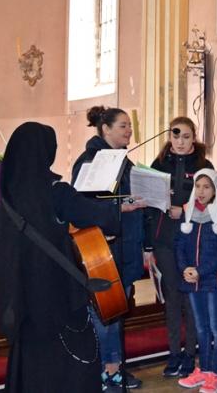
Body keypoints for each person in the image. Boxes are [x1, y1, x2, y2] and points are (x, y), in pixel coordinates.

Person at [0, 122, 142, 392]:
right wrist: (122, 209)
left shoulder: (6, 201)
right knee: (68, 363)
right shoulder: (55, 192)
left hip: (22, 299)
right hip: (57, 296)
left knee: (34, 362)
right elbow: (94, 215)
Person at [72, 106, 146, 390]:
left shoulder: (122, 159)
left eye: (129, 126)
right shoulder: (91, 161)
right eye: (123, 126)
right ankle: (107, 370)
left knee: (116, 314)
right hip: (101, 252)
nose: (129, 131)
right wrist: (120, 208)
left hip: (126, 249)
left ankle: (114, 367)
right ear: (106, 129)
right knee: (104, 315)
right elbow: (81, 208)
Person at [145, 116, 213, 377]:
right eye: (176, 136)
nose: (180, 142)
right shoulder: (159, 163)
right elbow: (148, 207)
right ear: (169, 137)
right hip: (164, 240)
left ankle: (190, 354)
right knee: (172, 297)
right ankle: (174, 353)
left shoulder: (204, 165)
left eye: (186, 137)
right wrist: (148, 246)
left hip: (193, 241)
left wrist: (184, 210)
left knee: (190, 298)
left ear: (194, 137)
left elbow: (212, 203)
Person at [175, 169, 217, 393]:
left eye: (207, 187)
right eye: (198, 186)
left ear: (215, 189)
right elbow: (179, 245)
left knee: (216, 328)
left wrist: (200, 270)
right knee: (200, 328)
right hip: (192, 281)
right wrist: (185, 268)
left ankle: (216, 373)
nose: (201, 191)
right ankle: (204, 370)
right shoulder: (188, 212)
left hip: (213, 281)